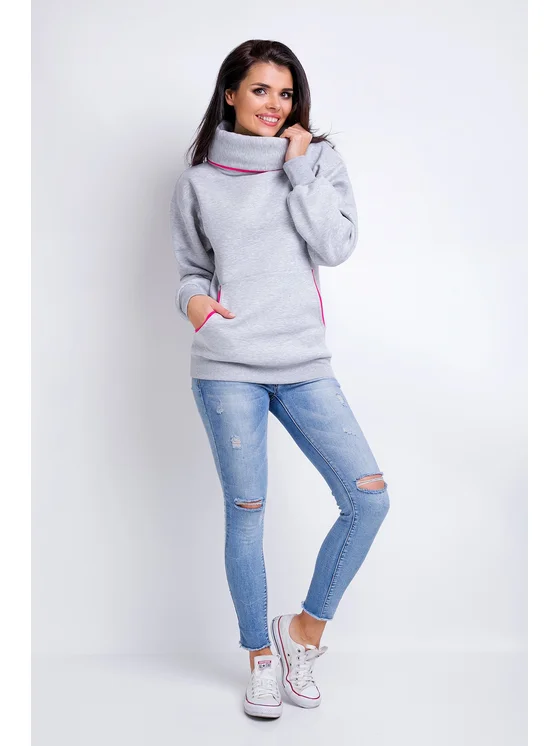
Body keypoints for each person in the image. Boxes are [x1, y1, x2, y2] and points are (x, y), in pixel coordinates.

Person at [170, 39, 390, 719]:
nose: (274, 104)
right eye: (260, 89)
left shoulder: (315, 161)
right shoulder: (199, 179)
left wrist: (297, 170)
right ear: (231, 93)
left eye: (286, 93)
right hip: (227, 367)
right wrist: (194, 302)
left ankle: (302, 633)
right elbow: (189, 270)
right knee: (247, 514)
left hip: (301, 365)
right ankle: (260, 660)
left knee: (368, 498)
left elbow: (336, 246)